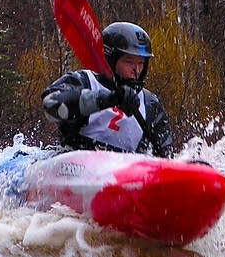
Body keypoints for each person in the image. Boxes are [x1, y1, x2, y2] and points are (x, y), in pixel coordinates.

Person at [42, 22, 173, 157]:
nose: (136, 70)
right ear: (110, 60)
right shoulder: (83, 81)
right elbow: (50, 105)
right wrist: (108, 99)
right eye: (129, 61)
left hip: (122, 173)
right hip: (74, 165)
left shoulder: (150, 104)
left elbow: (166, 156)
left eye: (141, 63)